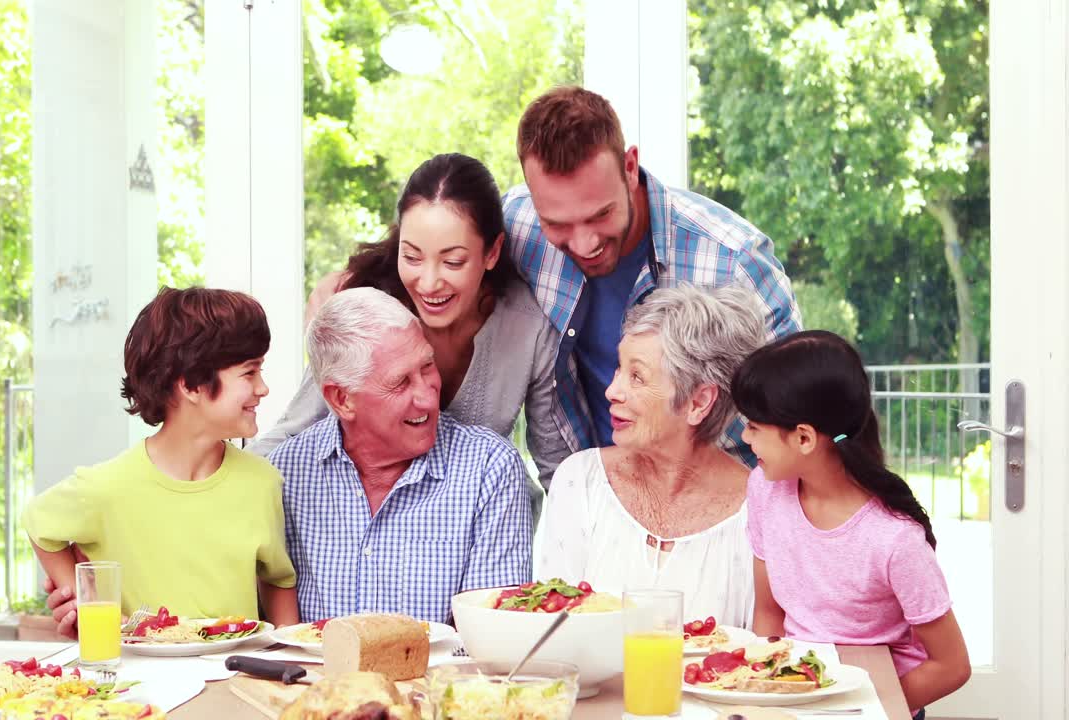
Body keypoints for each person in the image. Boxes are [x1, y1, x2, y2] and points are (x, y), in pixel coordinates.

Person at [503, 85, 802, 461]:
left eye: (601, 214)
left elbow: (801, 422)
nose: (583, 243)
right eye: (557, 224)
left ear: (630, 167)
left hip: (726, 489)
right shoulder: (516, 226)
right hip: (589, 488)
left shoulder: (736, 264)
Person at [261, 153, 574, 489]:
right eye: (411, 256)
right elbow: (293, 432)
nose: (428, 283)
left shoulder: (528, 328)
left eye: (453, 262)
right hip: (371, 513)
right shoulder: (368, 311)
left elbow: (558, 471)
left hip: (481, 515)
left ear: (492, 252)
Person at [25, 288, 298, 638]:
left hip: (235, 669)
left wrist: (286, 652)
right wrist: (86, 601)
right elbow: (38, 523)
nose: (263, 388)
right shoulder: (108, 487)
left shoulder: (262, 483)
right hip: (141, 672)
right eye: (249, 373)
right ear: (192, 385)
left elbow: (277, 579)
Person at [732, 330, 970, 718]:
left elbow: (952, 666)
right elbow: (770, 615)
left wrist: (868, 708)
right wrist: (766, 701)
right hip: (795, 701)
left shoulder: (895, 540)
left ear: (804, 438)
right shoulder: (765, 489)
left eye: (754, 427)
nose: (744, 438)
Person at [268, 287, 533, 624]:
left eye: (427, 366)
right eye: (400, 383)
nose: (427, 398)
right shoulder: (286, 473)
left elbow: (492, 632)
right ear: (341, 399)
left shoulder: (489, 468)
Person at [539, 285, 765, 628]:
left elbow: (763, 652)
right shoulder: (581, 481)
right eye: (618, 369)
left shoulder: (759, 511)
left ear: (698, 402)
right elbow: (549, 630)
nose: (612, 391)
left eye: (637, 377)